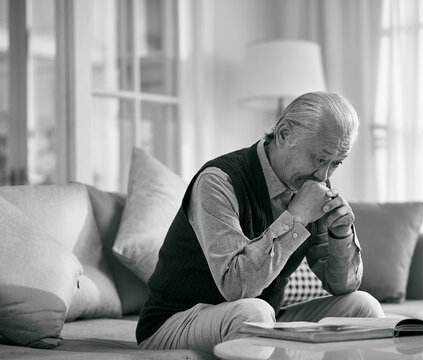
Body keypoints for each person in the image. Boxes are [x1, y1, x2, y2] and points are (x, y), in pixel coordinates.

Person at [136, 91, 384, 353]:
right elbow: (236, 287)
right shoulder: (219, 181)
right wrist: (296, 218)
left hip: (264, 318)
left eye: (336, 164)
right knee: (253, 314)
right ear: (284, 134)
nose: (323, 174)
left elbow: (342, 286)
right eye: (320, 159)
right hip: (175, 322)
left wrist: (341, 234)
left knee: (362, 307)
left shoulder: (312, 184)